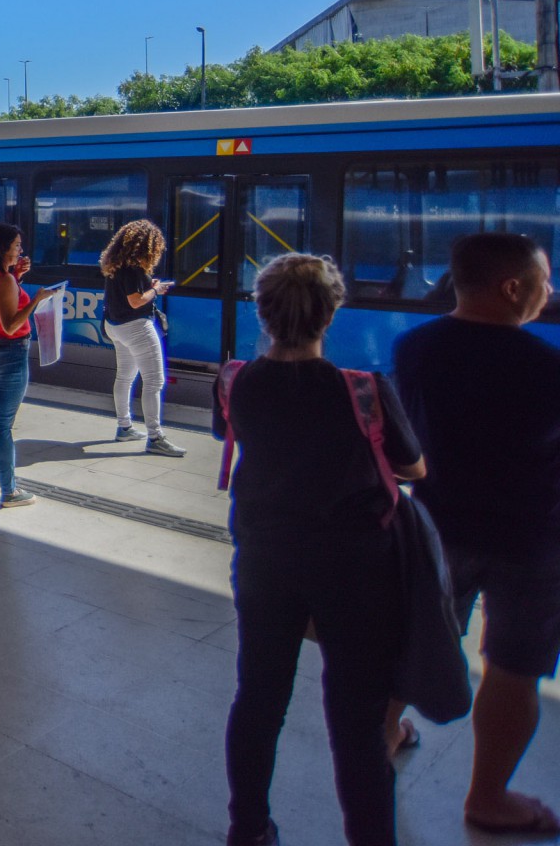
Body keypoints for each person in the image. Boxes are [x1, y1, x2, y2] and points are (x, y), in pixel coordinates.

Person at [214, 253, 426, 846]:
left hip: (264, 559)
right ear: (330, 314)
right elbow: (413, 468)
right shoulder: (362, 391)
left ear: (263, 312)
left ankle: (249, 827)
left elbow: (231, 433)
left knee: (258, 698)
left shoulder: (234, 380)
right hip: (354, 568)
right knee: (357, 720)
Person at [393, 232, 560, 837]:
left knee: (413, 643)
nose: (552, 292)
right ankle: (487, 796)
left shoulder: (414, 348)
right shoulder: (546, 366)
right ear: (513, 288)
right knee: (513, 665)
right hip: (531, 541)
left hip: (436, 525)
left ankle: (383, 736)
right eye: (544, 282)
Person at [0, 223, 58, 508]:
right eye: (17, 245)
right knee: (2, 426)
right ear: (3, 248)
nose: (21, 250)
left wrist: (16, 275)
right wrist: (37, 300)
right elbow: (9, 325)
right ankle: (10, 491)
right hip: (8, 354)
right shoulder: (4, 281)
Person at [99, 220, 184, 456]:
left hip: (115, 326)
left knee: (125, 376)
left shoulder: (116, 265)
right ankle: (155, 437)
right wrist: (156, 290)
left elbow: (132, 292)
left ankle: (124, 427)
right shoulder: (134, 269)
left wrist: (150, 286)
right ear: (148, 246)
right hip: (135, 328)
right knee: (154, 381)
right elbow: (135, 301)